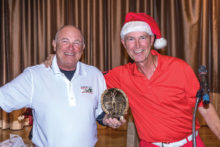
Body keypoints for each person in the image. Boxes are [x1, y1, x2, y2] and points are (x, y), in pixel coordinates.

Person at [103, 12, 220, 147]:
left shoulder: (178, 68)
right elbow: (89, 79)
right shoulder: (121, 75)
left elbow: (205, 109)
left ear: (152, 40)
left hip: (188, 143)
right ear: (123, 43)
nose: (137, 45)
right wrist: (104, 116)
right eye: (130, 39)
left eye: (142, 38)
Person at [0, 25, 125, 147]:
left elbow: (100, 112)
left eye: (77, 43)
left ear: (83, 47)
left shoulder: (95, 75)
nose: (71, 47)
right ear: (54, 44)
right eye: (65, 41)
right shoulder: (34, 76)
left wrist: (108, 119)